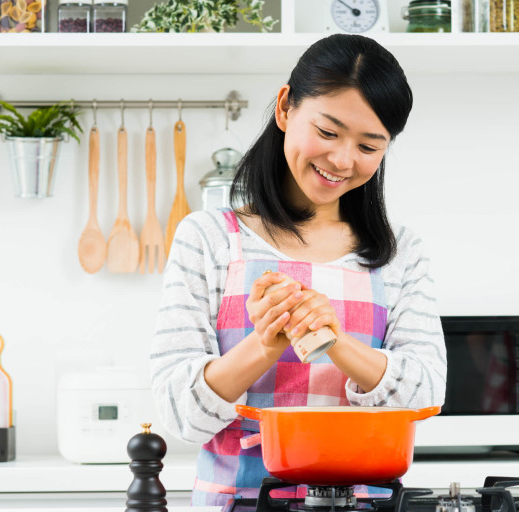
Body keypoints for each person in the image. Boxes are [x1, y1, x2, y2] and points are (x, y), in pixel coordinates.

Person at [150, 34, 447, 507]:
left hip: (366, 504)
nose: (342, 160)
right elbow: (177, 414)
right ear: (286, 107)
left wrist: (336, 341)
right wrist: (265, 342)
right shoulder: (207, 238)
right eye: (328, 133)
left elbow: (427, 393)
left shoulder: (399, 251)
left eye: (369, 146)